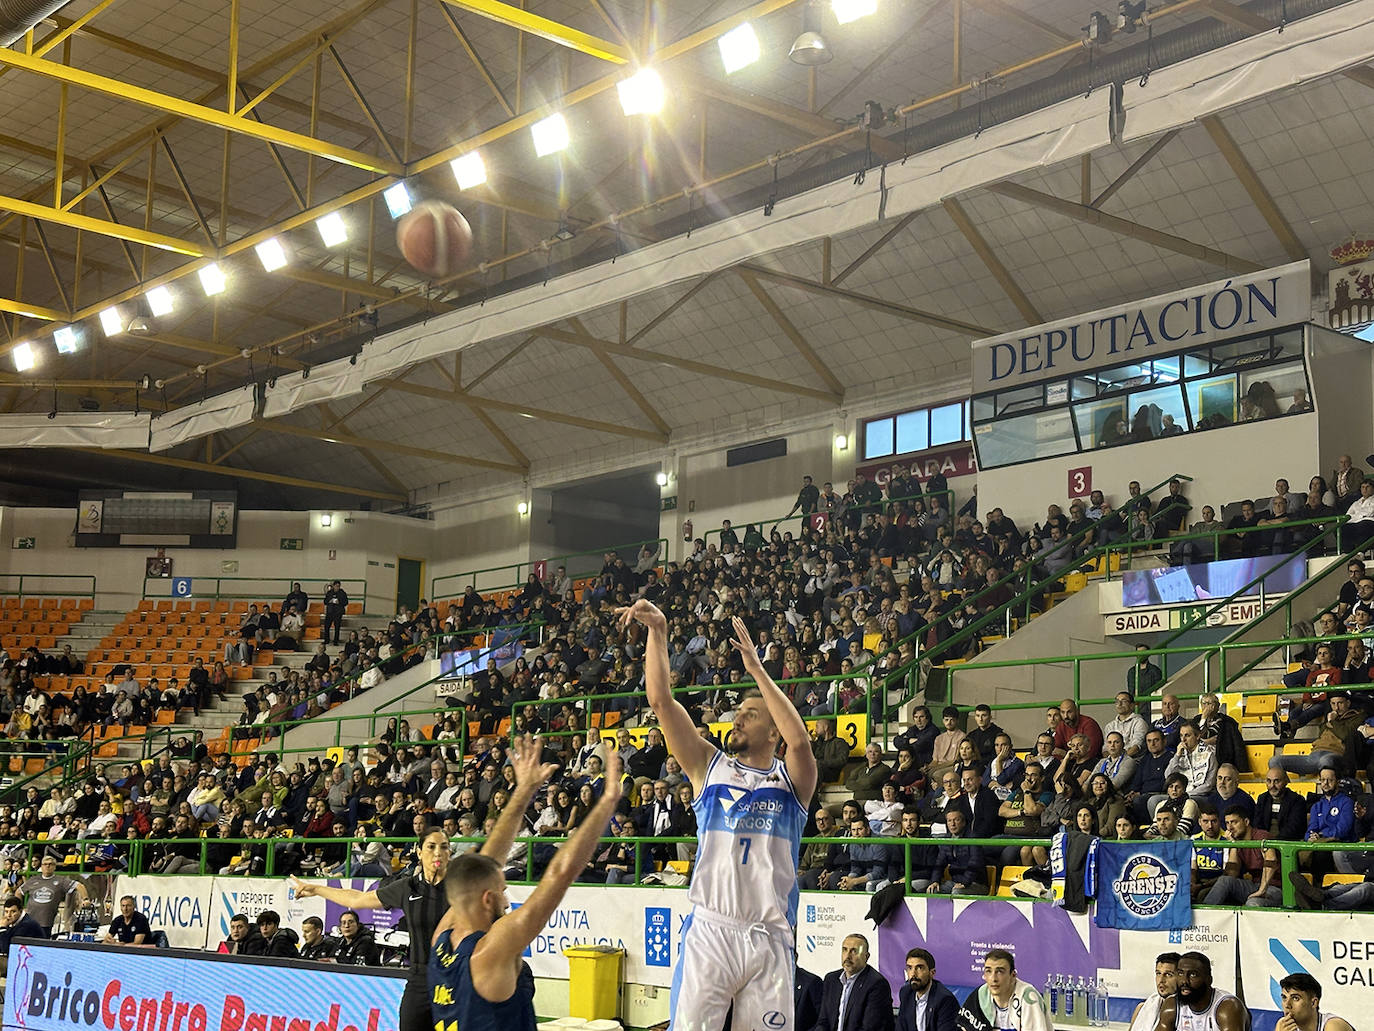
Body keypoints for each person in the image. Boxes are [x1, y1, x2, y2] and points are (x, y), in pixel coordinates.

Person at [619, 601, 817, 1031]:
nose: (738, 718)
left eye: (751, 713)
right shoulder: (710, 766)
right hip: (711, 929)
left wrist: (758, 673)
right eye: (738, 712)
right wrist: (659, 631)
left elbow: (799, 741)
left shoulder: (792, 781)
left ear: (772, 731)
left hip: (770, 938)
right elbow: (660, 701)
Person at [428, 742, 622, 1031]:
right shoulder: (491, 950)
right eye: (501, 891)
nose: (506, 900)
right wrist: (606, 803)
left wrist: (522, 792)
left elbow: (487, 862)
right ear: (486, 899)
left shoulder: (440, 939)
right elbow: (560, 872)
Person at [813, 933, 894, 1031]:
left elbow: (870, 1028)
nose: (847, 956)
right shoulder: (831, 980)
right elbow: (823, 1021)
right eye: (845, 950)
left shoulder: (877, 984)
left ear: (866, 957)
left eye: (854, 951)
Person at [955, 948, 1051, 1031]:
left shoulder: (1028, 996)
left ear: (1013, 975)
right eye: (988, 971)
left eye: (1000, 971)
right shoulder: (980, 995)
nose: (993, 979)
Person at [1151, 952, 1249, 1031]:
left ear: (1209, 980)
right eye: (1180, 973)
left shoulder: (1228, 1007)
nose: (1184, 981)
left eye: (1193, 975)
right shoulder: (1172, 1006)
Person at [19, 853, 87, 937]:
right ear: (41, 866)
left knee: (42, 944)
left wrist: (86, 899)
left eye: (50, 864)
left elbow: (79, 886)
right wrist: (20, 908)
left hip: (46, 922)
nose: (47, 866)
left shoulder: (61, 880)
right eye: (45, 864)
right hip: (29, 920)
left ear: (54, 867)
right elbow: (19, 892)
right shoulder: (33, 880)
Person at [898, 947, 959, 1031]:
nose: (913, 974)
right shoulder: (906, 992)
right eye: (910, 968)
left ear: (932, 973)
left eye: (919, 968)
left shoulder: (944, 1000)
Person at [1275, 973, 1353, 1031]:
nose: (1287, 1005)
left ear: (1313, 1003)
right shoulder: (1284, 1026)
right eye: (1284, 998)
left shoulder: (1333, 1026)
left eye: (1295, 998)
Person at [1129, 953, 1179, 1031]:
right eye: (1158, 973)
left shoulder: (1185, 1014)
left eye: (1168, 974)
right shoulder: (1142, 1008)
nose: (1161, 980)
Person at [0, 895, 44, 969]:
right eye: (6, 912)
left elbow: (6, 949)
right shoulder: (12, 922)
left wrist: (2, 928)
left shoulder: (27, 925)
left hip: (32, 962)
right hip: (19, 958)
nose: (9, 915)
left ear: (21, 911)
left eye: (13, 911)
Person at [323, 580, 349, 646]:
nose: (337, 587)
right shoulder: (329, 593)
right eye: (336, 586)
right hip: (330, 612)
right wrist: (330, 601)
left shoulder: (342, 593)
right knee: (326, 626)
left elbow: (346, 602)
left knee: (337, 627)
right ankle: (326, 640)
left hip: (338, 612)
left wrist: (339, 602)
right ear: (333, 586)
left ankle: (335, 641)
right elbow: (325, 601)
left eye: (338, 586)